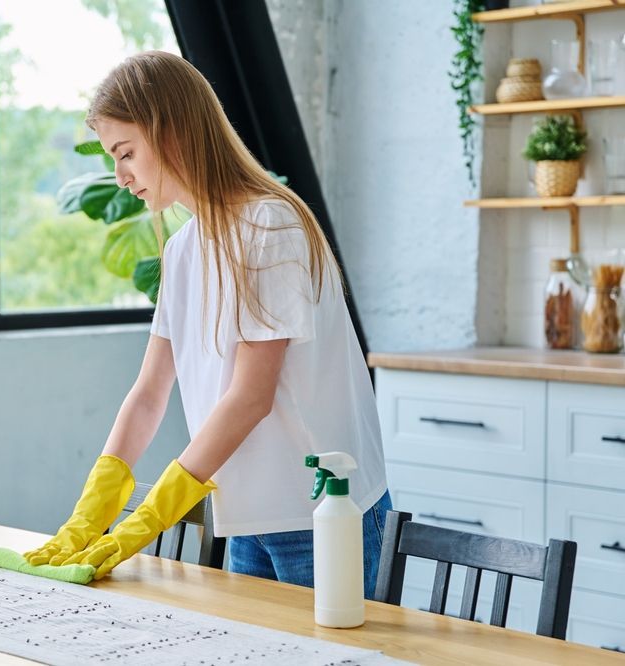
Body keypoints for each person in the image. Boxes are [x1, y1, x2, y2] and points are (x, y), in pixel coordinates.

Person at [24, 50, 390, 595]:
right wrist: (92, 509)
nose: (121, 177)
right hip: (245, 515)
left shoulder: (271, 227)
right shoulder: (182, 251)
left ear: (171, 132)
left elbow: (251, 396)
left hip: (321, 514)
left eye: (127, 153)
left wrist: (150, 516)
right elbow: (149, 392)